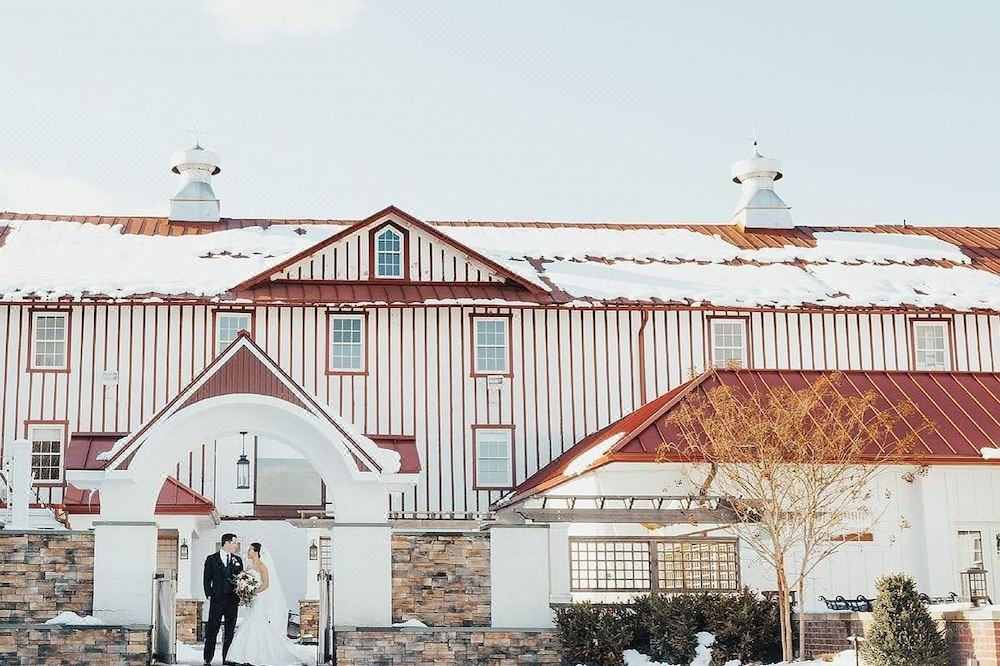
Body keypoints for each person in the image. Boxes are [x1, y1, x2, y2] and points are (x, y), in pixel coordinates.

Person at [226, 542, 309, 666]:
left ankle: (258, 655)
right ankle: (246, 655)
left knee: (257, 623)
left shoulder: (262, 566)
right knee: (249, 622)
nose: (248, 551)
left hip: (258, 600)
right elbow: (244, 582)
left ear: (256, 552)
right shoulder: (249, 566)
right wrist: (244, 593)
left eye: (250, 549)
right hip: (251, 600)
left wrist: (253, 592)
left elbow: (266, 584)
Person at [203, 533, 244, 665]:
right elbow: (206, 579)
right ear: (227, 543)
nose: (236, 546)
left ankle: (227, 658)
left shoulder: (238, 560)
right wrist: (209, 594)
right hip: (217, 600)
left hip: (232, 600)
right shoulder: (211, 559)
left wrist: (241, 595)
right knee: (212, 628)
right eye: (234, 543)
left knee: (230, 630)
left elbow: (241, 580)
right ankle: (207, 657)